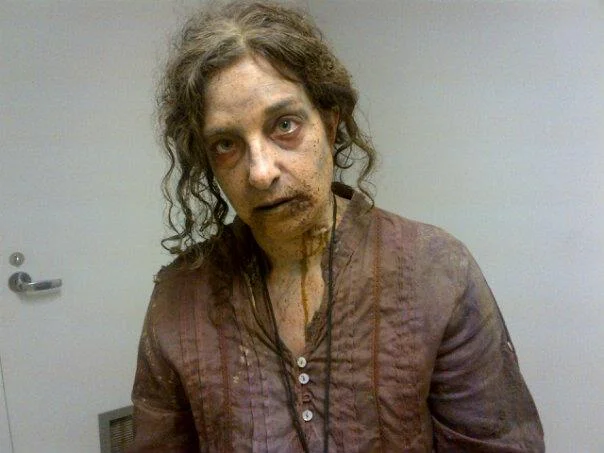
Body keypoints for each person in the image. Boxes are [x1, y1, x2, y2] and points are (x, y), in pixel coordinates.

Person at [129, 1, 544, 451]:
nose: (261, 172)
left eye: (284, 125)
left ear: (329, 125)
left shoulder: (436, 272)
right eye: (226, 144)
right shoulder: (179, 300)